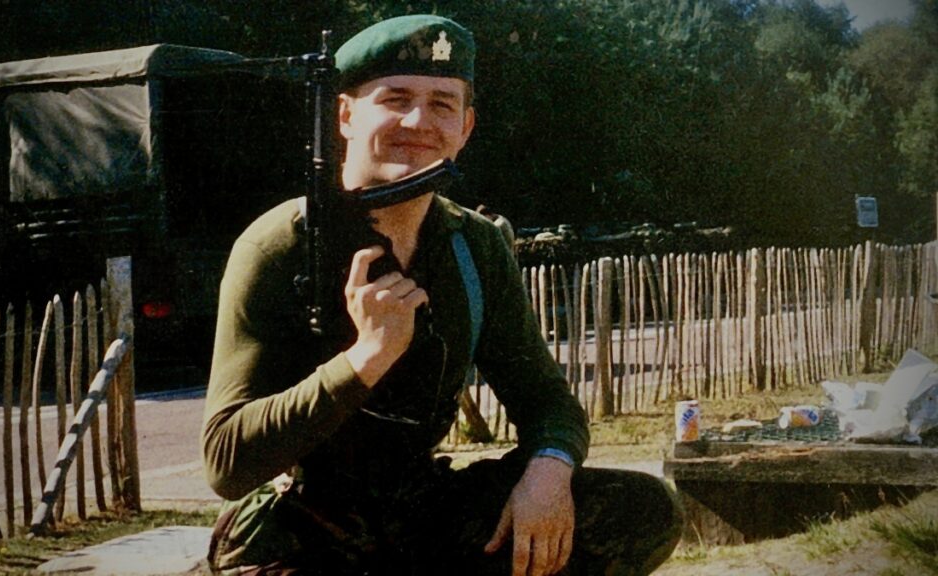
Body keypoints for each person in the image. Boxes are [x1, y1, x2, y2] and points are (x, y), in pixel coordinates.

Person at [202, 14, 682, 576]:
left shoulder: (472, 245)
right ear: (346, 115)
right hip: (304, 524)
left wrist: (548, 471)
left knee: (642, 509)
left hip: (422, 510)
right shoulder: (280, 247)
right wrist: (365, 359)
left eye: (441, 104)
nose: (418, 121)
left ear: (465, 127)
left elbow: (546, 400)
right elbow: (226, 462)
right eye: (396, 99)